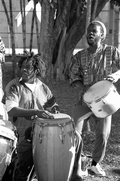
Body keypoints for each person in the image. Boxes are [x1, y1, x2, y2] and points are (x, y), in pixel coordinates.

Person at [69, 20, 120, 178]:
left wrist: (115, 75)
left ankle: (95, 164)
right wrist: (85, 90)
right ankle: (75, 163)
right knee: (75, 132)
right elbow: (74, 77)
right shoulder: (79, 56)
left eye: (94, 31)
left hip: (105, 100)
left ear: (102, 36)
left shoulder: (112, 51)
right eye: (88, 31)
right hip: (84, 100)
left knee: (103, 134)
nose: (90, 33)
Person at [3, 52, 59, 181]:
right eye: (22, 66)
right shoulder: (14, 86)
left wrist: (54, 111)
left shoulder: (44, 88)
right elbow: (11, 110)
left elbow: (53, 106)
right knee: (20, 171)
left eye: (28, 67)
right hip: (21, 137)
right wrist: (36, 112)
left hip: (43, 137)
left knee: (41, 170)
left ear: (37, 70)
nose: (23, 69)